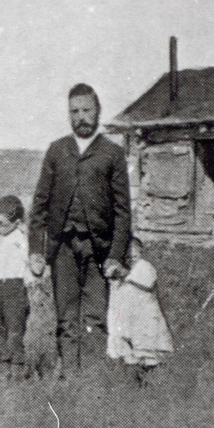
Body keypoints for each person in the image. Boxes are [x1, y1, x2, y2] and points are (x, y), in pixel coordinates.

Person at [29, 83, 131, 377]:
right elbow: (39, 207)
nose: (81, 117)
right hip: (62, 249)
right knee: (66, 317)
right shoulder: (57, 151)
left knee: (96, 317)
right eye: (74, 111)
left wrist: (115, 255)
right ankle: (70, 378)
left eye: (87, 110)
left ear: (98, 111)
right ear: (68, 114)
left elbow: (123, 212)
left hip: (99, 249)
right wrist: (37, 250)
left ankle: (94, 383)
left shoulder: (112, 153)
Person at [0, 196, 38, 381]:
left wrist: (28, 285)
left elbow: (31, 267)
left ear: (16, 223)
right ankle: (2, 367)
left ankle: (17, 369)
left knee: (14, 332)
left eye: (1, 223)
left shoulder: (22, 241)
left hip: (15, 290)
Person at [107, 237, 174, 380]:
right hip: (131, 318)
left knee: (149, 346)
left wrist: (127, 277)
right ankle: (135, 378)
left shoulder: (145, 267)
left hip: (147, 315)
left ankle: (152, 375)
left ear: (141, 253)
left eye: (135, 256)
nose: (131, 259)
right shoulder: (124, 271)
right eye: (128, 256)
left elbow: (147, 282)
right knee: (131, 349)